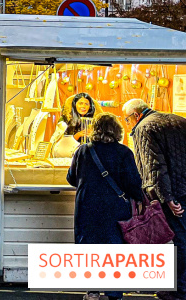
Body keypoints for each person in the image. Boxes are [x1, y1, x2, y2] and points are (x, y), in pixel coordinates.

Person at [67, 113, 144, 300]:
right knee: (115, 248)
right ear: (118, 131)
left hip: (87, 206)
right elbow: (133, 183)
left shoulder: (83, 151)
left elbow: (71, 178)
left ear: (95, 130)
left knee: (89, 247)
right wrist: (140, 199)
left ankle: (92, 292)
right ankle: (114, 294)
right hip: (115, 207)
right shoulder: (125, 153)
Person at [123, 98, 186, 300]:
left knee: (180, 241)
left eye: (126, 119)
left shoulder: (143, 128)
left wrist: (166, 198)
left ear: (135, 115)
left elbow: (154, 168)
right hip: (184, 189)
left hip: (173, 195)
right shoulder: (179, 120)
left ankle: (178, 289)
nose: (128, 123)